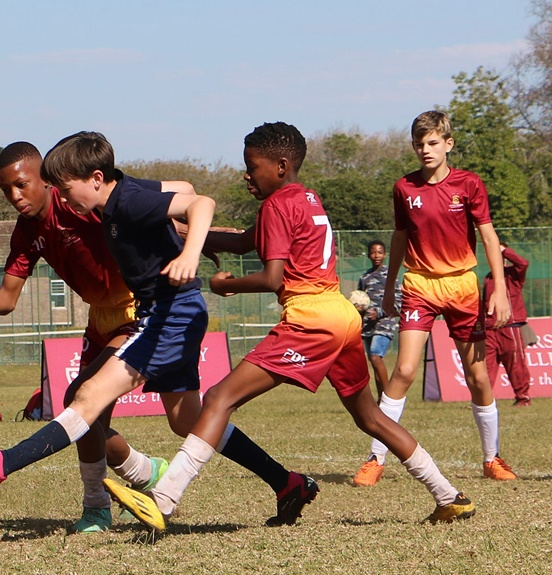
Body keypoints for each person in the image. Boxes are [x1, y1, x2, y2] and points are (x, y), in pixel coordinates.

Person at [104, 122, 476, 532]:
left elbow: (272, 278)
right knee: (369, 416)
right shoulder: (306, 198)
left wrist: (226, 285)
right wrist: (188, 234)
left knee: (218, 399)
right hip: (341, 314)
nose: (246, 175)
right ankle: (448, 496)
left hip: (311, 320)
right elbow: (246, 241)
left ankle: (163, 499)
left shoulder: (276, 205)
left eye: (252, 166)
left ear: (280, 166)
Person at [0, 131, 321, 529]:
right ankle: (286, 482)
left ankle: (9, 463)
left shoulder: (125, 201)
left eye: (64, 188)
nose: (63, 198)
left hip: (162, 314)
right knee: (188, 420)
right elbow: (179, 195)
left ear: (95, 178)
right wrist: (177, 233)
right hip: (168, 312)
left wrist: (190, 249)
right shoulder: (115, 200)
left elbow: (200, 200)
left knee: (86, 396)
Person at [352, 110, 517, 487]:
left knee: (477, 376)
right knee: (405, 371)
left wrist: (501, 291)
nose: (425, 150)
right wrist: (392, 281)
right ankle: (376, 458)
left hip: (462, 286)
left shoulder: (469, 184)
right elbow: (399, 238)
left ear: (448, 144)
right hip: (420, 286)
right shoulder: (404, 188)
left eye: (432, 143)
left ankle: (491, 458)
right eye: (418, 144)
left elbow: (490, 238)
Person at [484, 242, 532, 407]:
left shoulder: (513, 273)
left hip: (510, 326)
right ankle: (483, 400)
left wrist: (503, 250)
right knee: (486, 366)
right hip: (490, 329)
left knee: (516, 365)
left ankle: (522, 398)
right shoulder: (488, 278)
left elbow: (523, 263)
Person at [358, 241, 401, 400]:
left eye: (380, 252)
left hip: (384, 323)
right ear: (369, 255)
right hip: (368, 325)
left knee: (376, 357)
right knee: (374, 362)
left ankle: (388, 397)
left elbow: (398, 304)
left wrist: (380, 312)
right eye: (373, 252)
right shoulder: (365, 278)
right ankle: (380, 399)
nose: (376, 255)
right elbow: (360, 300)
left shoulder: (391, 276)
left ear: (385, 255)